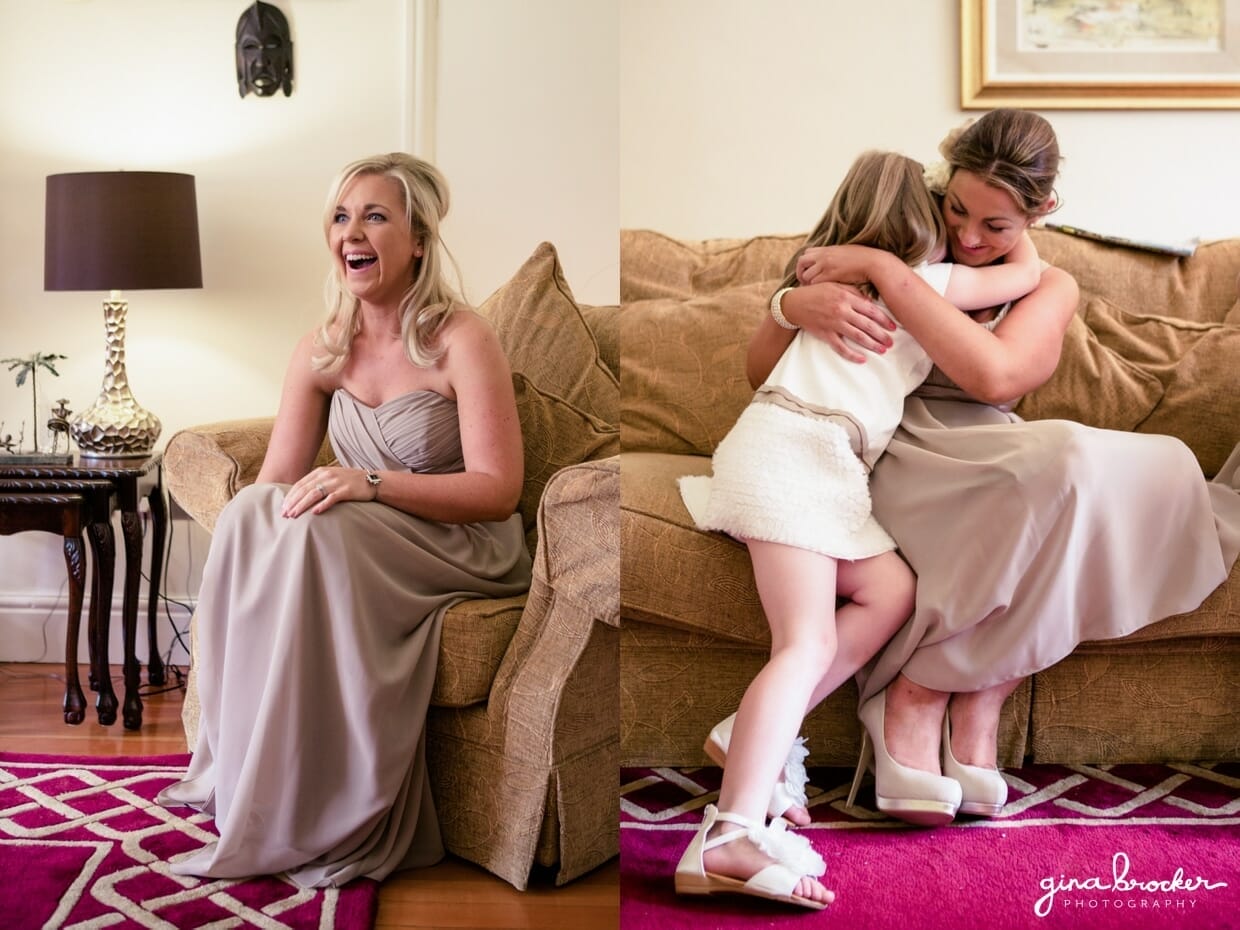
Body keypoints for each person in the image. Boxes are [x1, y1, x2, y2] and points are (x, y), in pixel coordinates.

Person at [745, 108, 1240, 829]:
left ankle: (966, 688)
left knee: (1136, 470)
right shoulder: (896, 232)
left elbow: (995, 379)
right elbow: (763, 375)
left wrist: (886, 274)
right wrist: (790, 305)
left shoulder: (1045, 285)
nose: (969, 238)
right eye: (957, 210)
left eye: (996, 227)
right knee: (1063, 469)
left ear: (1043, 212)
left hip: (988, 444)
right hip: (890, 445)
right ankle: (925, 695)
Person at [673, 150, 1043, 912]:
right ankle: (731, 834)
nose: (969, 235)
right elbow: (1021, 275)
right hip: (798, 454)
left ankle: (749, 730)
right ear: (924, 229)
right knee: (803, 643)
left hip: (805, 453)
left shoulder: (831, 280)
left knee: (892, 588)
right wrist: (1027, 228)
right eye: (952, 216)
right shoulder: (925, 286)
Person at [157, 153, 532, 886]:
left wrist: (368, 480)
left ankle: (328, 811)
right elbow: (271, 490)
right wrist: (258, 539)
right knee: (251, 518)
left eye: (375, 216)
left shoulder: (461, 338)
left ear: (418, 238)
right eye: (340, 216)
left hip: (464, 542)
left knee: (318, 525)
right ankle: (249, 775)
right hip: (363, 537)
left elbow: (498, 490)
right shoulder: (322, 348)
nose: (351, 232)